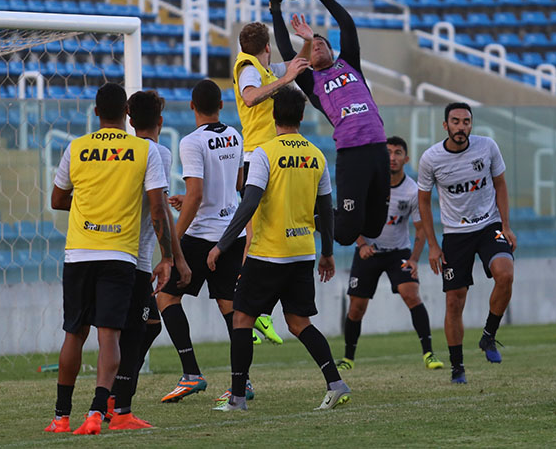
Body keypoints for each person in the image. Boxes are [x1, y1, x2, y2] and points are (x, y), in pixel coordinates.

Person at [208, 85, 351, 411]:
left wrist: (223, 244)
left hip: (268, 253)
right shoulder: (316, 155)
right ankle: (336, 382)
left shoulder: (264, 153)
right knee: (300, 323)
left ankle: (237, 398)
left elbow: (249, 203)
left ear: (273, 115)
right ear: (302, 116)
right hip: (303, 252)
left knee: (242, 319)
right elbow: (326, 210)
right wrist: (327, 252)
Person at [44, 83, 173, 436]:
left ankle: (60, 417)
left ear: (97, 112)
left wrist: (88, 205)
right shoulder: (144, 151)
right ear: (125, 115)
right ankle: (97, 411)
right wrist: (168, 257)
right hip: (119, 253)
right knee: (109, 336)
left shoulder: (77, 147)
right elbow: (158, 207)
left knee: (73, 333)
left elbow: (57, 199)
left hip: (79, 251)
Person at [270, 0, 390, 246]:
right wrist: (275, 8)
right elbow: (287, 51)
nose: (318, 46)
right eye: (313, 46)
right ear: (308, 58)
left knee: (372, 229)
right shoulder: (311, 80)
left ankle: (323, 211)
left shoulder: (349, 64)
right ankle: (303, 211)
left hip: (379, 149)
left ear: (333, 51)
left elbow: (347, 25)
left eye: (323, 43)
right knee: (346, 235)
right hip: (352, 153)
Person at [157, 80, 250, 403]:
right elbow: (237, 183)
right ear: (222, 105)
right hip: (232, 235)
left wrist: (172, 242)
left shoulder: (192, 142)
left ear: (192, 106)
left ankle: (191, 373)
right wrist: (197, 198)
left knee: (166, 298)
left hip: (201, 236)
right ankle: (243, 382)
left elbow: (196, 195)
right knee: (232, 310)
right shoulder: (236, 135)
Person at [105, 90, 192, 429]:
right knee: (134, 330)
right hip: (134, 258)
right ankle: (117, 401)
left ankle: (114, 396)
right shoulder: (158, 152)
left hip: (109, 247)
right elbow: (160, 211)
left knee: (146, 325)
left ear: (129, 119)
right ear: (160, 120)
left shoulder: (125, 151)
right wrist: (174, 258)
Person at [417, 103, 516, 384]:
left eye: (466, 122)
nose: (461, 127)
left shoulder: (487, 147)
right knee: (454, 301)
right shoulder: (431, 159)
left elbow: (500, 185)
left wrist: (506, 226)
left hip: (489, 225)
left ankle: (488, 336)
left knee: (505, 274)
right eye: (456, 121)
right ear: (445, 125)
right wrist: (433, 246)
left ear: (471, 125)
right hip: (455, 234)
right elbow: (423, 202)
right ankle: (457, 366)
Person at [233, 21, 311, 344]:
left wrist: (306, 42)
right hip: (257, 158)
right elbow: (250, 98)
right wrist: (286, 79)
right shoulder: (250, 70)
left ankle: (257, 312)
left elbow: (294, 66)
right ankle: (250, 312)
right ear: (267, 47)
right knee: (254, 236)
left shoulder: (264, 67)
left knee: (269, 233)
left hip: (272, 157)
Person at [337, 136, 444, 372]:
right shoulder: (368, 185)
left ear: (406, 159)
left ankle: (429, 353)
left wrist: (414, 259)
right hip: (368, 252)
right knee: (356, 307)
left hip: (398, 253)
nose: (392, 158)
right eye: (387, 152)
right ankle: (348, 358)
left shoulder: (412, 191)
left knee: (411, 294)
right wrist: (362, 244)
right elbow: (350, 219)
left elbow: (420, 228)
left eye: (397, 153)